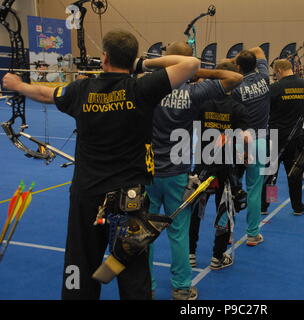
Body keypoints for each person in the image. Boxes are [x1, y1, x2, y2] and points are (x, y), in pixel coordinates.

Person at [2, 29, 200, 299]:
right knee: (132, 268)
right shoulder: (141, 88)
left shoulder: (82, 90)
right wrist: (142, 64)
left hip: (88, 194)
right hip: (128, 198)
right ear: (130, 59)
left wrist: (17, 85)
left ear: (104, 57)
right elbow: (191, 64)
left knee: (81, 262)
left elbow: (45, 94)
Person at [145, 42, 243, 300]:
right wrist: (196, 72)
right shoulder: (192, 92)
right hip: (176, 172)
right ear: (190, 65)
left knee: (146, 230)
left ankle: (145, 285)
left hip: (147, 170)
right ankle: (181, 287)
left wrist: (161, 67)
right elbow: (235, 77)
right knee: (178, 233)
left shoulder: (147, 86)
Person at [189, 62, 250, 270]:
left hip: (203, 164)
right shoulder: (238, 108)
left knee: (195, 209)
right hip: (225, 166)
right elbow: (243, 137)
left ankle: (190, 253)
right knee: (225, 209)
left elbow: (192, 127)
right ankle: (217, 256)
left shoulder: (202, 104)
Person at [226, 47, 270, 246]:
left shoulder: (235, 88)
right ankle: (252, 234)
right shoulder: (264, 77)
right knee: (254, 189)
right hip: (260, 140)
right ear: (255, 64)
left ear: (238, 66)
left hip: (238, 140)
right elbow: (259, 50)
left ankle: (225, 234)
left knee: (229, 189)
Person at [260, 59, 304, 216]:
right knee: (294, 173)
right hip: (296, 136)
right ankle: (297, 206)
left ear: (279, 70)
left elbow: (266, 110)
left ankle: (266, 204)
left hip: (276, 135)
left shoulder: (274, 88)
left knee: (270, 174)